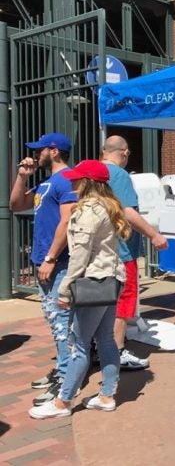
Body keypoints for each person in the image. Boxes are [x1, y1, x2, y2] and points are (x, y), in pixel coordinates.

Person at [29, 160, 130, 419]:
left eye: (76, 178)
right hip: (112, 279)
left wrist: (64, 290)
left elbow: (79, 257)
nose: (71, 182)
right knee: (105, 339)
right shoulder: (109, 207)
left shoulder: (88, 211)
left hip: (94, 282)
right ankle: (107, 395)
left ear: (87, 182)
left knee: (79, 344)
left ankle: (64, 401)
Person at [10, 133, 76, 406]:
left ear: (55, 151)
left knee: (63, 324)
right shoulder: (45, 183)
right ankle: (63, 370)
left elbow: (68, 220)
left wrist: (50, 258)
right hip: (45, 263)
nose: (36, 155)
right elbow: (16, 205)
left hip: (58, 264)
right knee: (55, 321)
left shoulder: (68, 179)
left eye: (40, 150)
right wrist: (23, 176)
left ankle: (66, 379)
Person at [102, 136, 168, 369]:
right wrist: (154, 235)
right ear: (125, 152)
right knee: (123, 301)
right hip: (122, 250)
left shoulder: (92, 174)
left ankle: (98, 348)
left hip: (99, 251)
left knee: (101, 303)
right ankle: (117, 352)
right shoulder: (119, 176)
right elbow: (128, 211)